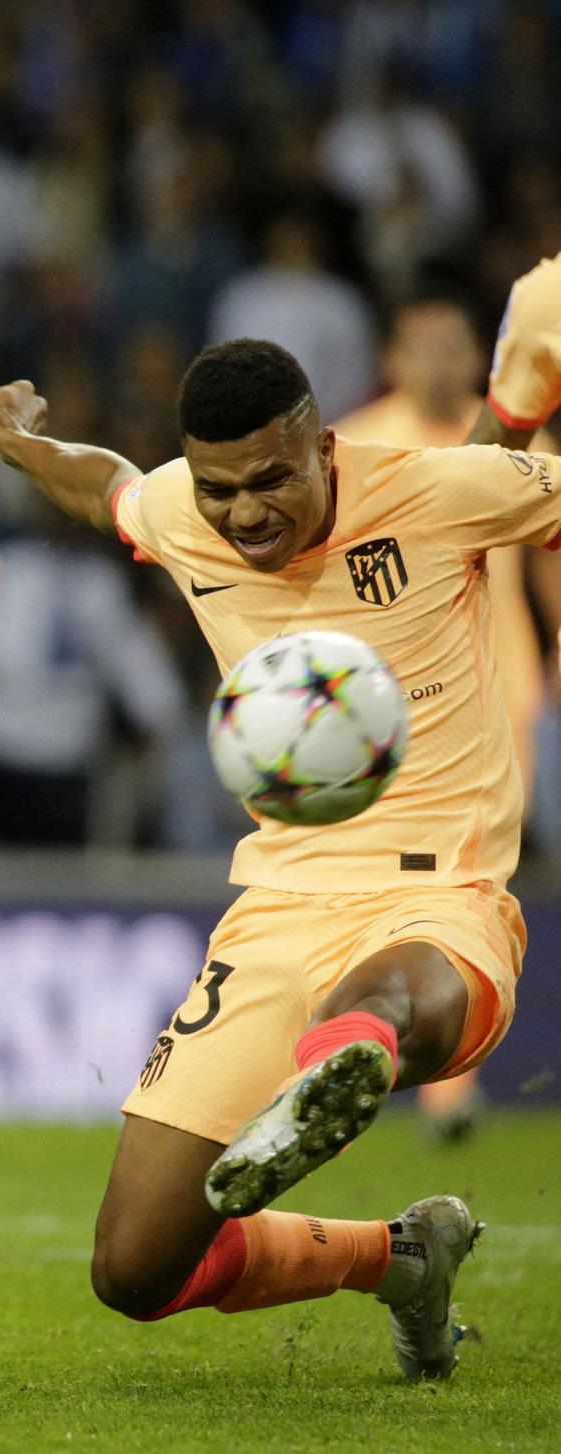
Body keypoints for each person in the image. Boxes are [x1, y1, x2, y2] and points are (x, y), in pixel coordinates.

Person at [0, 333, 547, 1380]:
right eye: (219, 486)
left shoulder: (436, 489)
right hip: (277, 908)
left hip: (436, 891)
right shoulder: (181, 513)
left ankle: (351, 1050)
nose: (242, 511)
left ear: (324, 447)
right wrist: (15, 442)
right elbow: (105, 484)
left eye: (271, 478)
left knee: (368, 1014)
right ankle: (399, 1254)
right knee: (133, 1266)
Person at [335, 291, 547, 1142]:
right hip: (388, 707)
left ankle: (430, 1078)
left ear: (478, 361)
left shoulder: (523, 443)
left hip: (503, 694)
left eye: (453, 345)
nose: (436, 361)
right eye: (420, 345)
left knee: (474, 882)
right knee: (390, 878)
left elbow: (545, 566)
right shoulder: (354, 445)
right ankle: (371, 1043)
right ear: (392, 356)